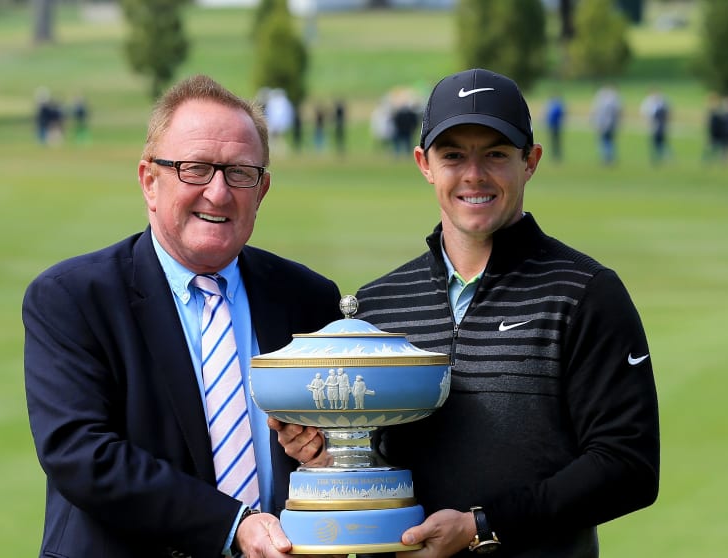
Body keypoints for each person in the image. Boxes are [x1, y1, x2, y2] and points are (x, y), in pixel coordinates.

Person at [273, 68, 660, 557]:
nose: (474, 174)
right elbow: (365, 459)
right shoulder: (379, 304)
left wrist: (483, 526)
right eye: (453, 155)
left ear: (531, 161)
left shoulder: (584, 293)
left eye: (496, 154)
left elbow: (628, 467)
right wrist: (323, 455)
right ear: (424, 163)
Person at [23, 74, 343, 558]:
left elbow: (339, 452)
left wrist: (326, 455)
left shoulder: (309, 299)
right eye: (195, 169)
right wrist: (233, 525)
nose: (218, 193)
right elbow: (82, 455)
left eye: (239, 173)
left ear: (262, 190)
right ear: (150, 181)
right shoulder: (73, 298)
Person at [591, 83, 622, 165]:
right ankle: (609, 158)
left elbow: (595, 112)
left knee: (605, 141)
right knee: (609, 141)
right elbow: (618, 112)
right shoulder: (615, 100)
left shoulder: (602, 101)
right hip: (610, 123)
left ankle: (607, 158)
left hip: (604, 123)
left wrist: (594, 121)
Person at [640, 88, 670, 165]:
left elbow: (667, 113)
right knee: (654, 143)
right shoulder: (649, 102)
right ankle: (656, 158)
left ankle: (662, 157)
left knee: (660, 142)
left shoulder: (662, 102)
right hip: (653, 126)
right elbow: (644, 113)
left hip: (660, 126)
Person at [543, 93, 565, 162]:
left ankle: (555, 155)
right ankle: (556, 155)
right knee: (556, 142)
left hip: (553, 126)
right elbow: (562, 114)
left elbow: (547, 115)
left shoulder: (551, 105)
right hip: (556, 126)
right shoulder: (558, 104)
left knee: (554, 142)